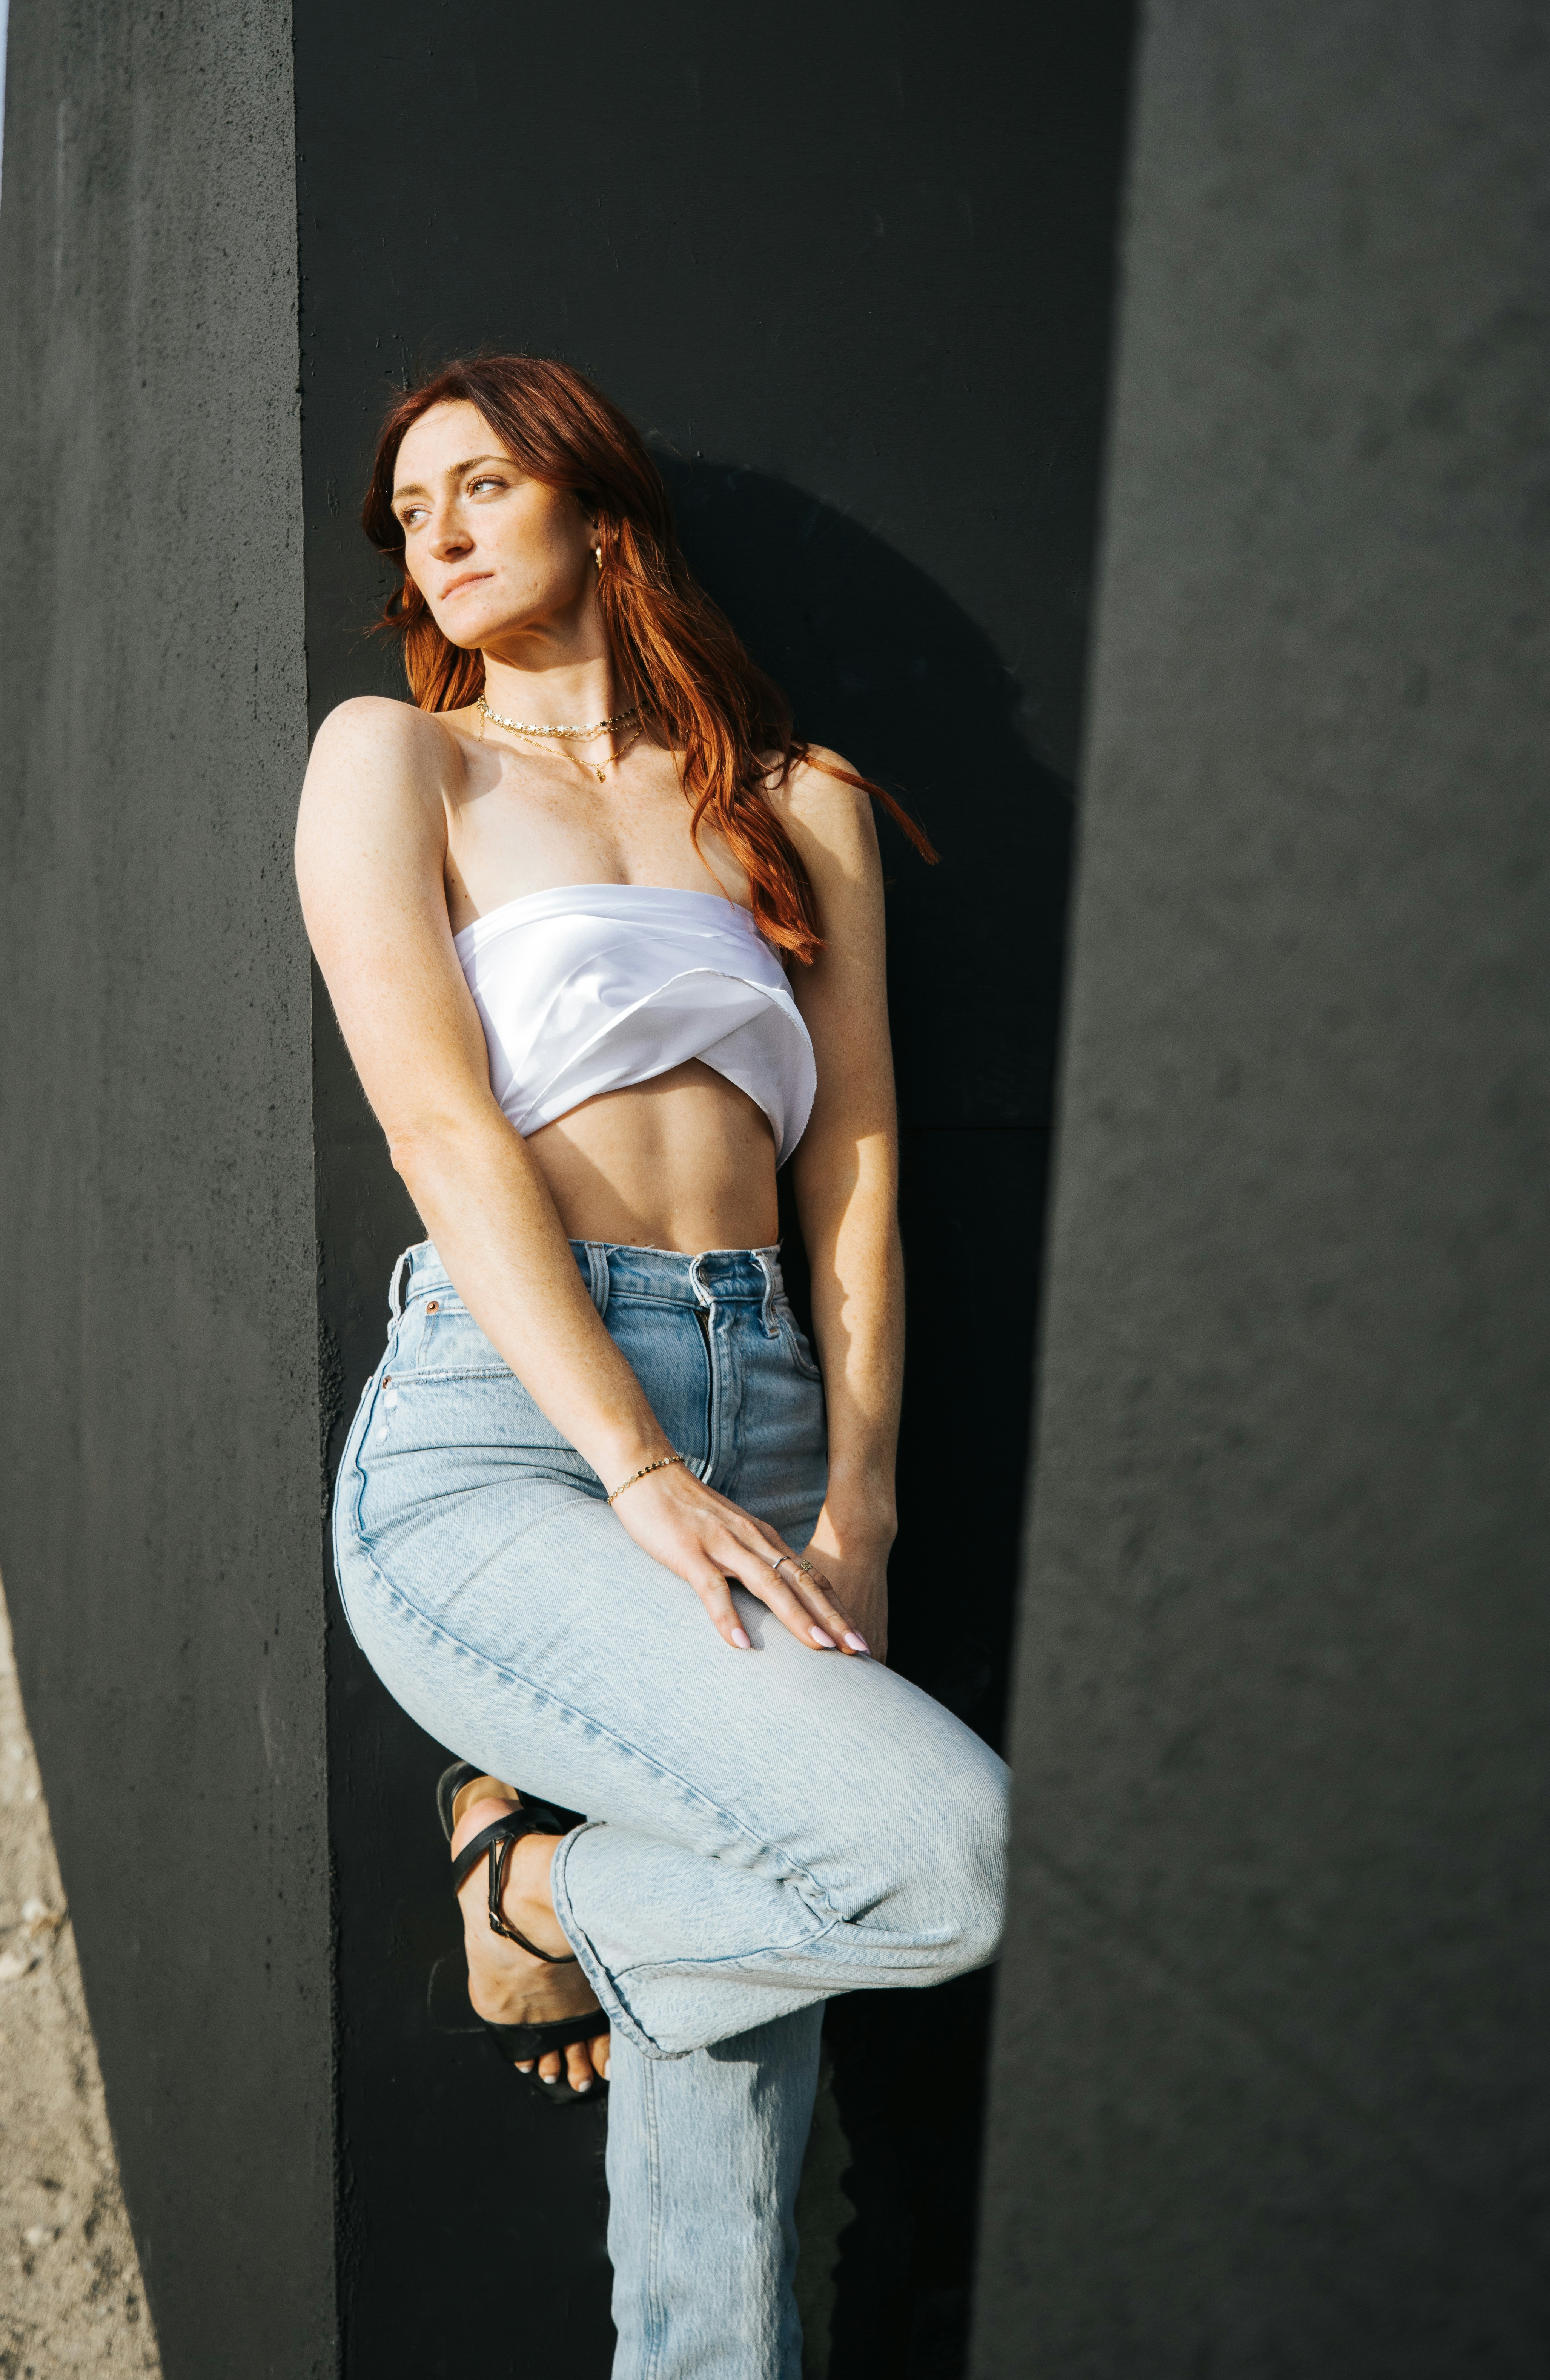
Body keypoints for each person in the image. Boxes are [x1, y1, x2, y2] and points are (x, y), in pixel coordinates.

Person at [294, 355, 1008, 2380]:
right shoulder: (396, 763)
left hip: (770, 1402)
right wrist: (631, 1462)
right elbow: (441, 1132)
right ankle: (529, 1904)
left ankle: (562, 1906)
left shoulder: (800, 806)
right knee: (946, 1862)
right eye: (406, 506)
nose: (428, 529)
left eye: (477, 482)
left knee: (731, 2126)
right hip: (511, 1435)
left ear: (601, 509)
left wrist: (859, 1499)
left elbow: (854, 1177)